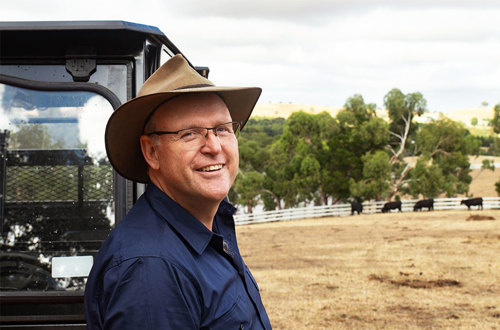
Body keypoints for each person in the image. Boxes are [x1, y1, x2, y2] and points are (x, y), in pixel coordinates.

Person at [84, 54, 272, 329]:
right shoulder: (151, 270)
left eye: (222, 129)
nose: (214, 147)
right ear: (151, 152)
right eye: (189, 134)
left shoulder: (209, 225)